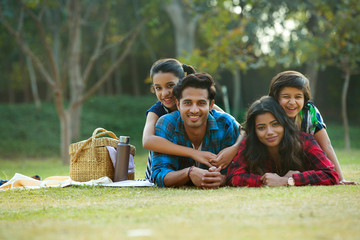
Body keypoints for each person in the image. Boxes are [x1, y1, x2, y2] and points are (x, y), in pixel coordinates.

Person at [142, 59, 241, 182]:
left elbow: (240, 128)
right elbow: (147, 141)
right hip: (162, 167)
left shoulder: (204, 107)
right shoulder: (158, 112)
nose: (165, 93)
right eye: (158, 88)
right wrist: (193, 153)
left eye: (170, 86)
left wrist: (235, 148)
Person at [227, 96, 339, 187]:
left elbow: (330, 174)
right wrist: (267, 181)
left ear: (284, 123)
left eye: (275, 124)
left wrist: (288, 180)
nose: (269, 132)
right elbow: (234, 177)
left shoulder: (305, 141)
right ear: (254, 130)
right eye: (261, 128)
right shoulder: (249, 144)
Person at [268, 70, 353, 184]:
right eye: (286, 96)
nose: (292, 102)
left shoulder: (309, 113)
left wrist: (341, 179)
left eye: (298, 97)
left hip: (303, 164)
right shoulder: (267, 112)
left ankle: (292, 177)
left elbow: (326, 144)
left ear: (305, 98)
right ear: (275, 98)